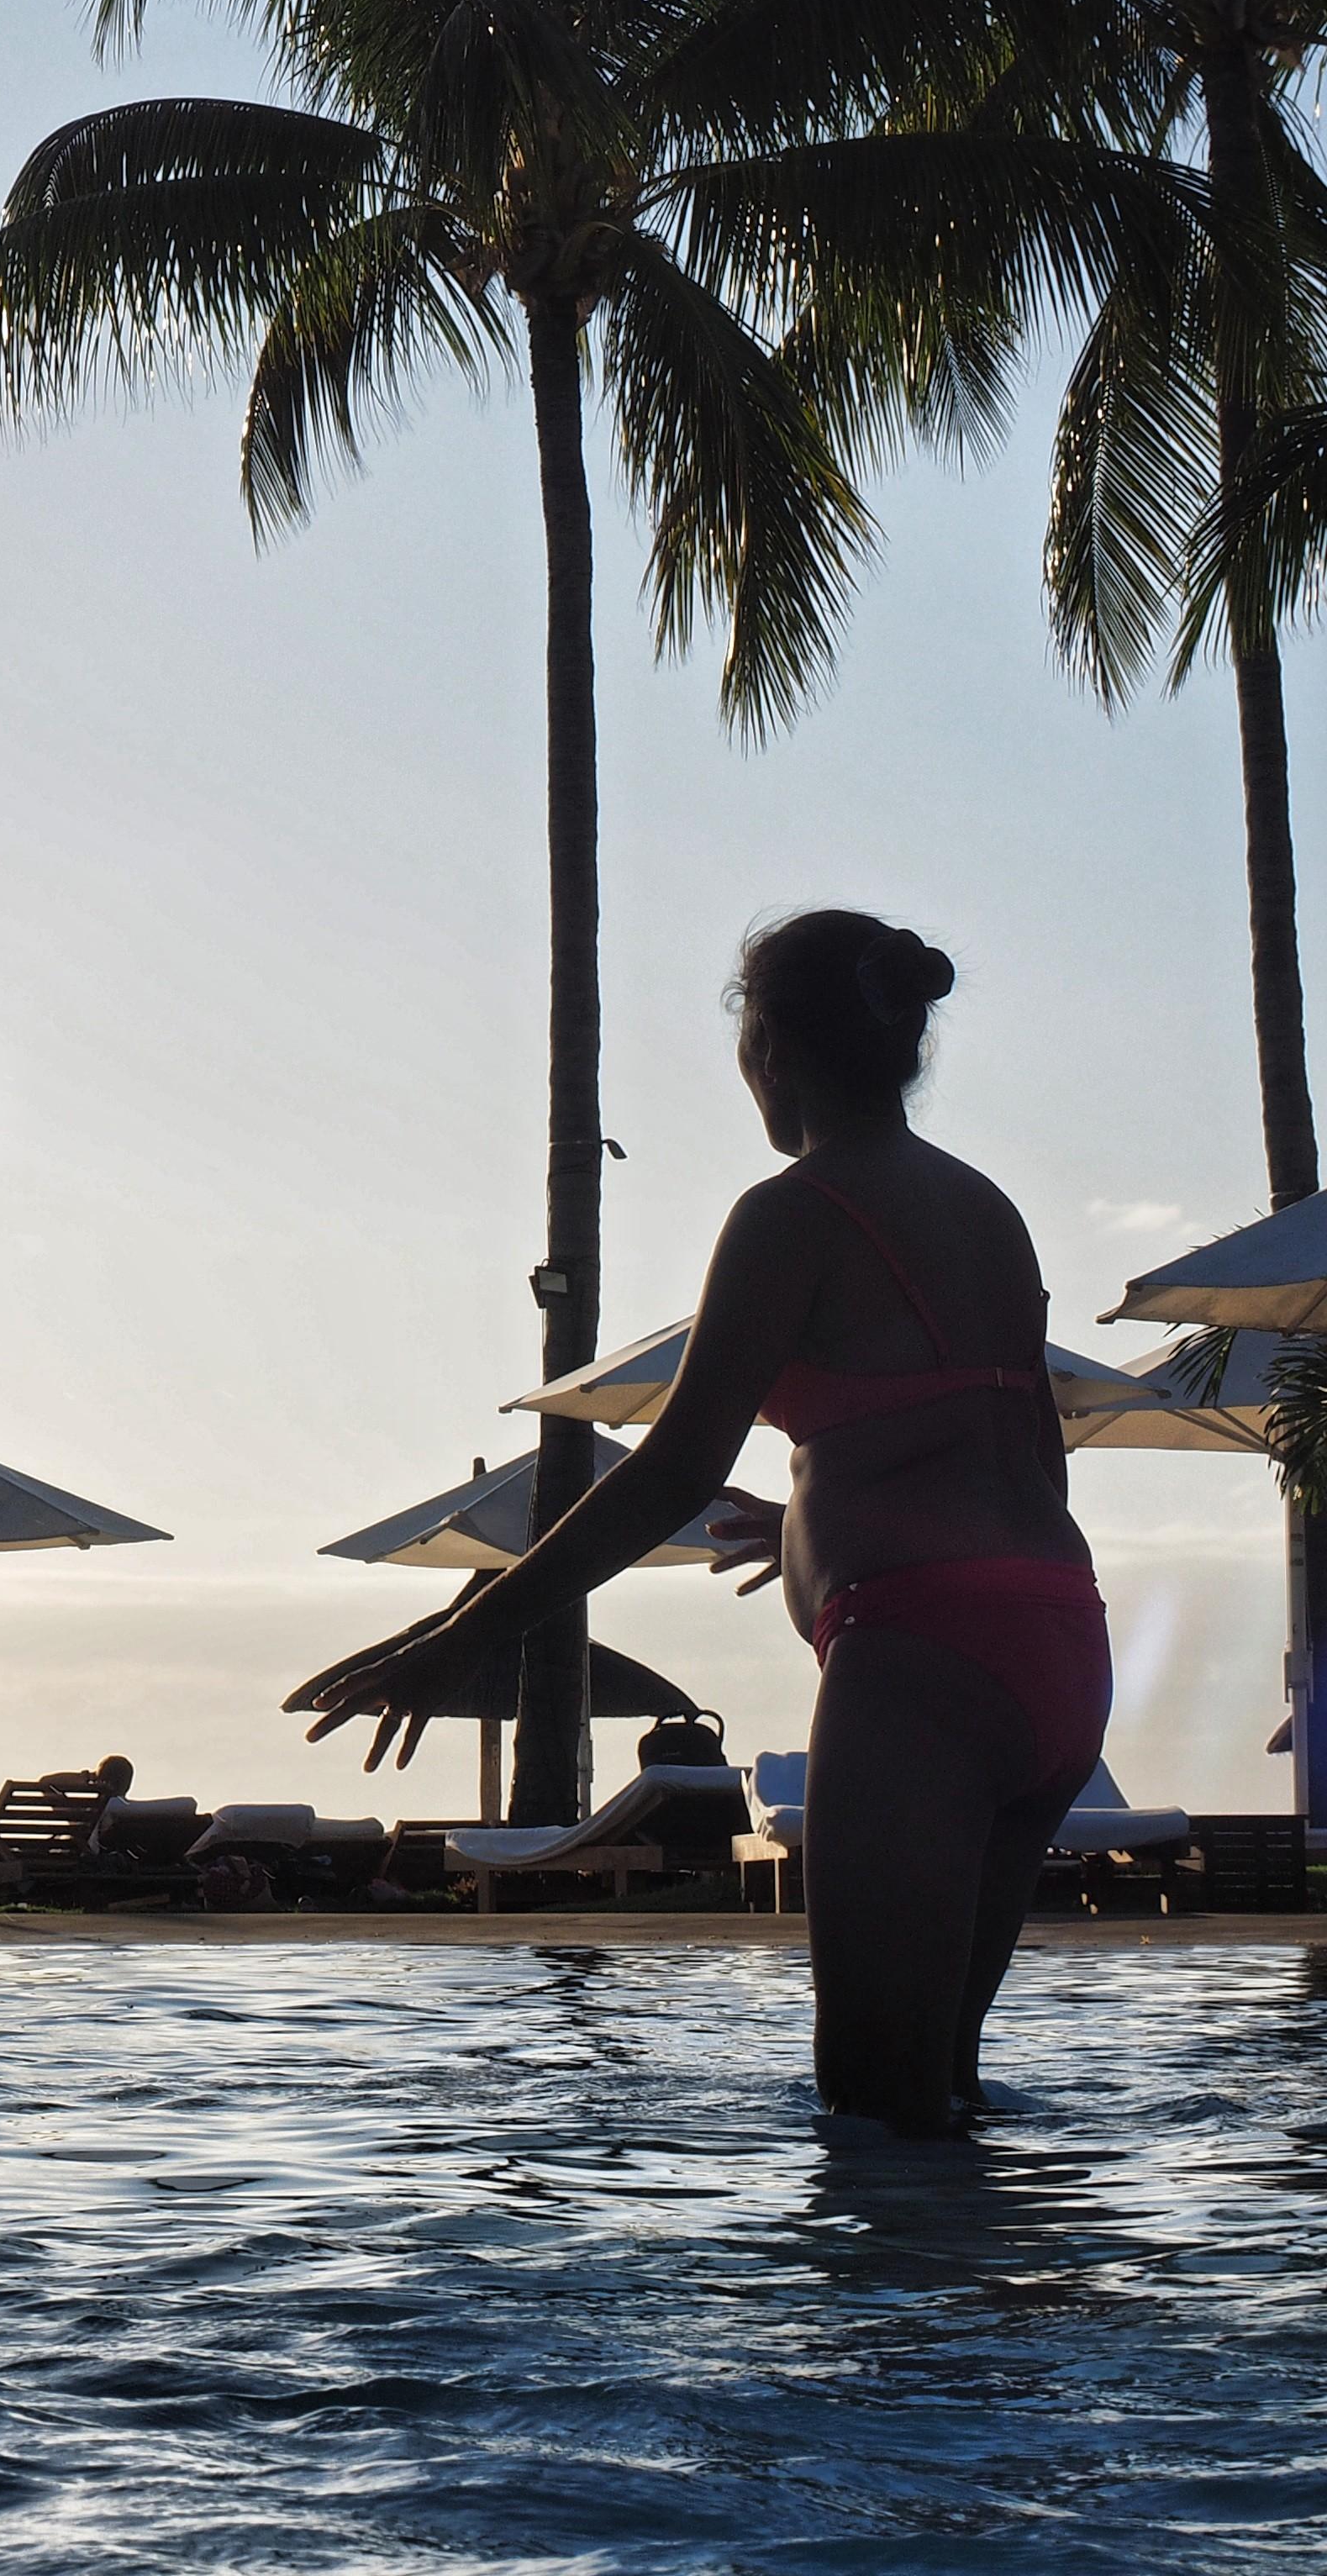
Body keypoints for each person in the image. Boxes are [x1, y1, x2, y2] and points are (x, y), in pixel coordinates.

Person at [307, 910, 1107, 2136]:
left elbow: (670, 1470)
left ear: (769, 1047)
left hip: (925, 1662)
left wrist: (475, 1621)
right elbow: (1009, 1463)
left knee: (871, 2117)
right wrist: (797, 1519)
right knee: (941, 2096)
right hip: (1058, 1646)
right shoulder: (986, 1209)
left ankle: (891, 2338)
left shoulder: (792, 1212)